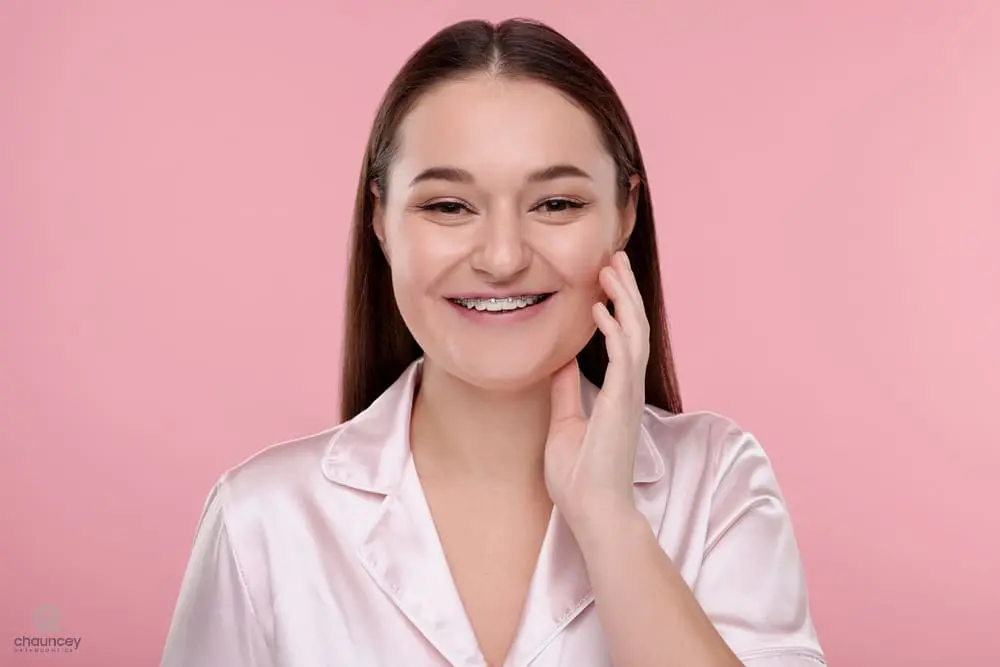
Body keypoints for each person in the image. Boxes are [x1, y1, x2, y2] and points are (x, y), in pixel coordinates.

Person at [161, 17, 826, 667]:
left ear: (625, 212)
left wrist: (609, 521)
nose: (503, 256)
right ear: (381, 221)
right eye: (448, 206)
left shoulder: (716, 486)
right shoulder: (262, 520)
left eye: (556, 204)